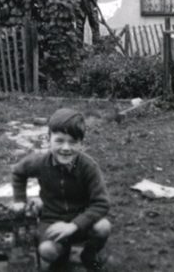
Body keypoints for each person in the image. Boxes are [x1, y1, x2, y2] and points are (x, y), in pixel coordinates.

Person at [11, 108, 111, 271]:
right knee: (47, 250)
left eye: (73, 142)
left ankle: (90, 253)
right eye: (59, 140)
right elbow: (18, 172)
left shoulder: (88, 167)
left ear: (82, 143)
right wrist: (20, 200)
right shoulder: (39, 162)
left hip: (81, 220)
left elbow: (102, 203)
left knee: (103, 226)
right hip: (52, 220)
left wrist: (74, 225)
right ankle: (61, 257)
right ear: (48, 139)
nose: (66, 148)